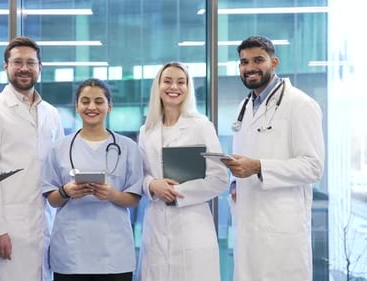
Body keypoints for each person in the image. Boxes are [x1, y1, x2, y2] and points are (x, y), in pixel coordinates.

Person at [223, 35, 325, 281]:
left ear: (274, 62)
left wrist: (258, 167)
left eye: (258, 60)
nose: (250, 68)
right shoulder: (245, 107)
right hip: (248, 221)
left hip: (282, 226)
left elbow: (313, 167)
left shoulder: (300, 104)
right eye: (244, 62)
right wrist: (236, 183)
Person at [0, 36, 64, 281]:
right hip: (10, 227)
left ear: (40, 68)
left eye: (31, 63)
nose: (24, 68)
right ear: (6, 67)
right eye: (17, 62)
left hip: (46, 223)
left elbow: (58, 168)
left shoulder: (51, 114)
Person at [42, 78, 143, 281]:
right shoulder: (59, 148)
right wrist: (66, 191)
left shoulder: (128, 147)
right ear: (77, 106)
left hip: (114, 253)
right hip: (71, 253)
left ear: (109, 106)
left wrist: (112, 194)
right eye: (85, 101)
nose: (91, 107)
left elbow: (134, 198)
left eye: (98, 101)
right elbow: (51, 199)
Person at [138, 62, 228, 281]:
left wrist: (178, 193)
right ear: (158, 86)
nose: (174, 87)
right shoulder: (146, 130)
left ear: (188, 88)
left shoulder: (201, 126)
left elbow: (219, 178)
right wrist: (151, 185)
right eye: (167, 81)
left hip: (192, 222)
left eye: (181, 82)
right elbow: (139, 174)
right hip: (156, 223)